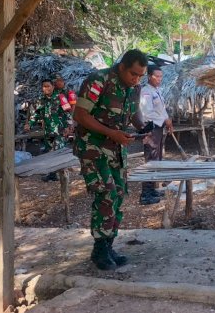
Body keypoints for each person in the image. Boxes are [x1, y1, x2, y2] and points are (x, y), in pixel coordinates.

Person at [73, 49, 150, 270]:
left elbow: (133, 112)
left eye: (140, 76)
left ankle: (108, 245)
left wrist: (142, 127)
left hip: (116, 148)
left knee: (118, 194)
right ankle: (99, 250)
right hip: (93, 147)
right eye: (133, 74)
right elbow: (80, 114)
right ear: (122, 67)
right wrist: (110, 132)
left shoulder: (134, 87)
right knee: (105, 193)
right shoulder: (98, 80)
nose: (136, 79)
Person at [24, 78, 73, 182]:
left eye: (48, 86)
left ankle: (63, 176)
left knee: (59, 152)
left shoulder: (60, 97)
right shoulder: (41, 100)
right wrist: (29, 124)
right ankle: (52, 175)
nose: (46, 88)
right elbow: (35, 114)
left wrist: (69, 127)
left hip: (60, 130)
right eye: (44, 86)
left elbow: (68, 113)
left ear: (53, 87)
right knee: (49, 153)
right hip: (48, 131)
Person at [138, 65, 173, 205]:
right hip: (150, 129)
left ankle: (152, 190)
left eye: (160, 76)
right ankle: (145, 194)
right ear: (149, 76)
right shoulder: (145, 92)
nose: (159, 79)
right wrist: (165, 120)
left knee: (156, 159)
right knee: (150, 160)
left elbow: (161, 110)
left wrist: (168, 121)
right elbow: (148, 113)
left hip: (158, 129)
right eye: (156, 76)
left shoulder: (157, 91)